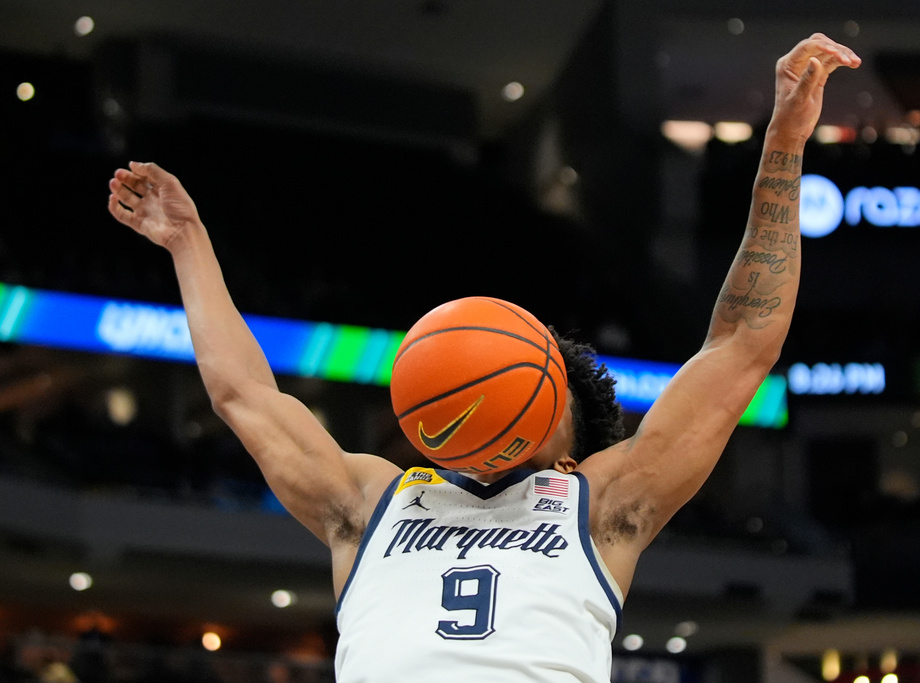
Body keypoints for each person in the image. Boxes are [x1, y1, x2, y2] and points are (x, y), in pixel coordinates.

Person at [107, 33, 859, 682]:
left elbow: (740, 347)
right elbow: (245, 395)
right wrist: (188, 244)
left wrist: (783, 146)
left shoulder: (601, 508)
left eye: (542, 390)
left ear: (572, 453)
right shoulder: (373, 502)